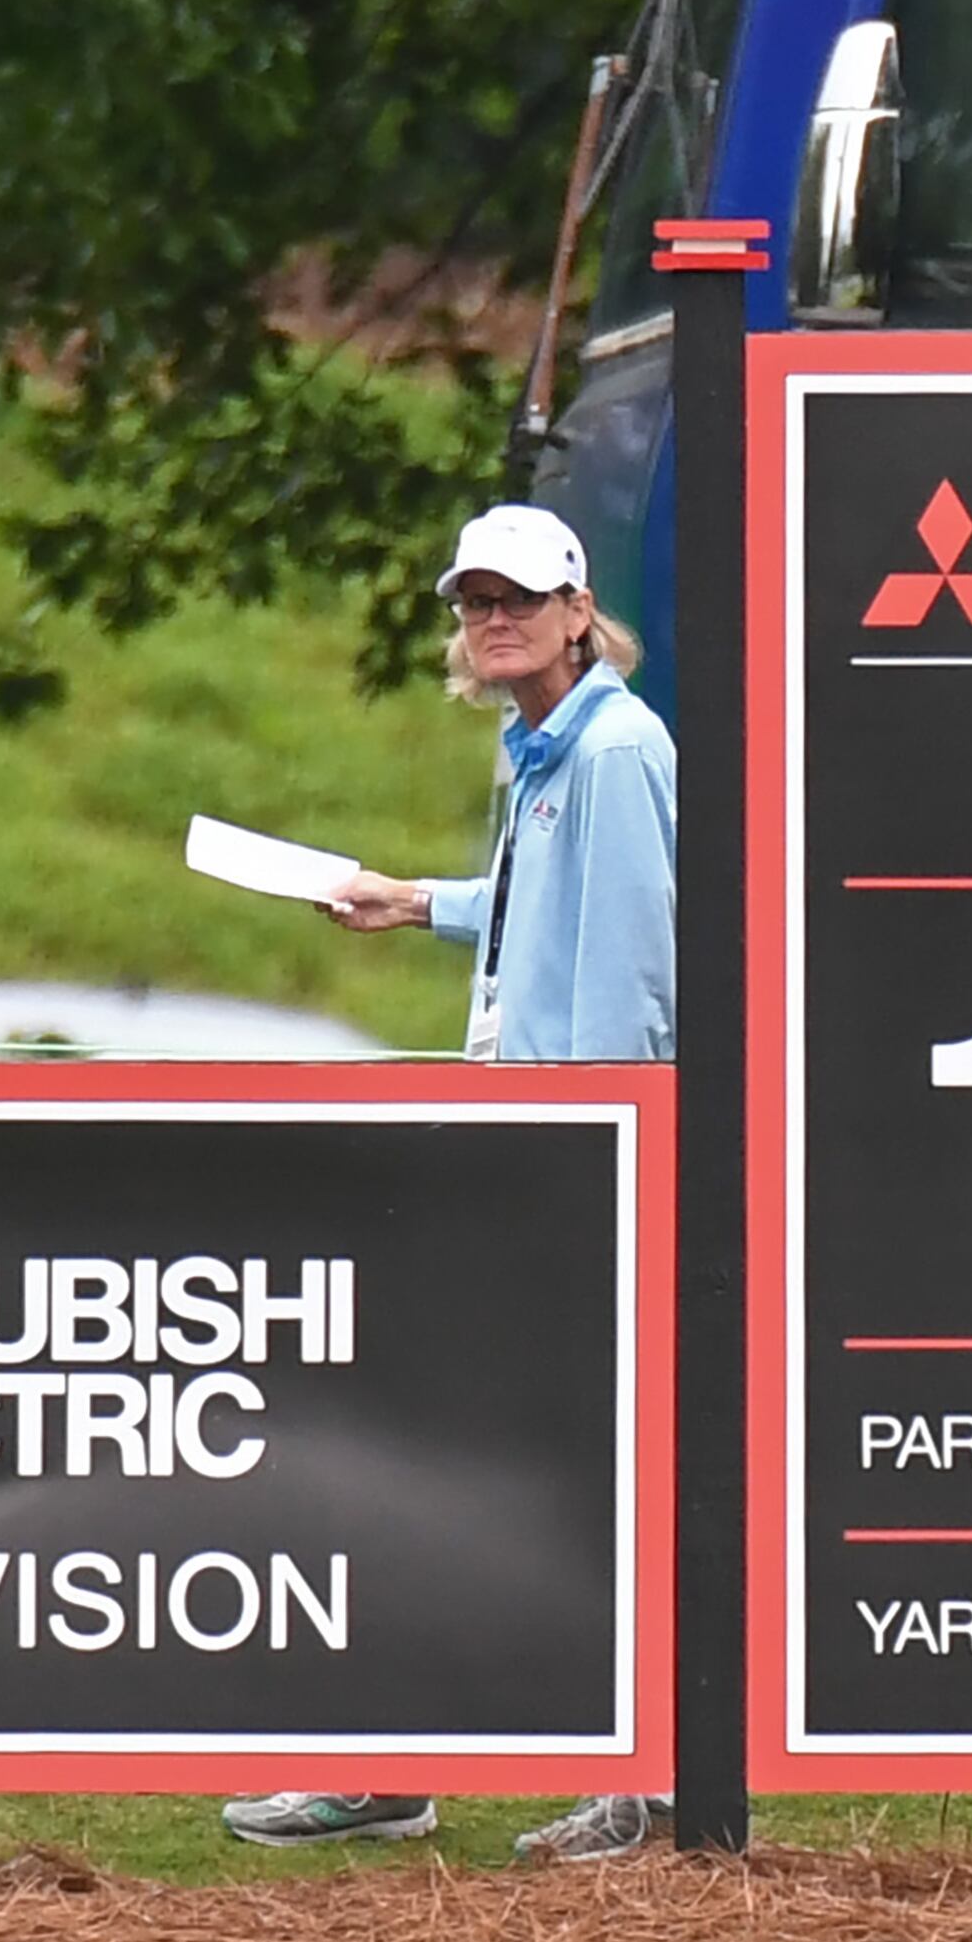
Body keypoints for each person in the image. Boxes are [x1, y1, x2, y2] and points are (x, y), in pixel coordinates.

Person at [219, 500, 680, 1861]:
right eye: (475, 600)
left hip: (573, 1166)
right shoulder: (548, 745)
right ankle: (403, 1758)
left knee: (589, 1480)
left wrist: (589, 1160)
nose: (492, 620)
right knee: (457, 1462)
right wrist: (419, 900)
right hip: (531, 1157)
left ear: (577, 611)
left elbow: (636, 977)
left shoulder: (614, 752)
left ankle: (645, 1783)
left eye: (519, 598)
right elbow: (548, 908)